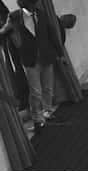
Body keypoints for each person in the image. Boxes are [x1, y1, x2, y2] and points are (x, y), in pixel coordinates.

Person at [0, 0, 65, 133]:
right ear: (24, 4)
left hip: (47, 56)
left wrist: (60, 54)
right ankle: (37, 120)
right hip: (30, 59)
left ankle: (48, 111)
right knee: (36, 91)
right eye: (32, 4)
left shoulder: (42, 14)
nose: (35, 6)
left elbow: (52, 34)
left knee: (48, 87)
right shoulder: (14, 17)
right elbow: (5, 31)